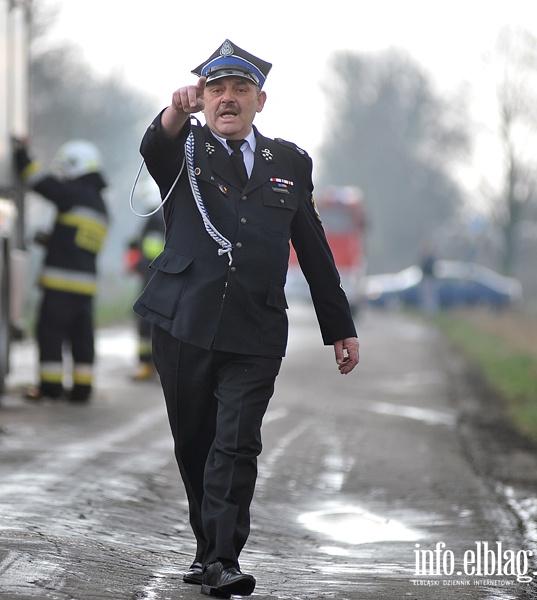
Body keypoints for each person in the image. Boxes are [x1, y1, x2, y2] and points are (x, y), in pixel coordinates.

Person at [133, 40, 360, 598]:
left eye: (239, 89)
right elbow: (154, 145)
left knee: (236, 444)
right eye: (216, 90)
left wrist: (340, 326)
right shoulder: (184, 147)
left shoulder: (290, 162)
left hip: (255, 328)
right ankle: (206, 545)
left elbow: (312, 245)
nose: (227, 99)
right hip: (183, 320)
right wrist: (173, 112)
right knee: (195, 443)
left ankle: (222, 559)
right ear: (203, 99)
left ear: (261, 100)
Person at [13, 138, 109, 402]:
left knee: (50, 335)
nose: (64, 177)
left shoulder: (74, 194)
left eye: (67, 169)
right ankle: (82, 389)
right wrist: (53, 239)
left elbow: (41, 183)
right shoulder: (100, 204)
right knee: (82, 339)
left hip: (60, 284)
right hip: (86, 287)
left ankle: (51, 388)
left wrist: (22, 155)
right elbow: (80, 241)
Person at [125, 208, 164, 381]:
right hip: (154, 274)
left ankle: (153, 365)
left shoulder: (157, 216)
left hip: (160, 275)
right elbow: (140, 243)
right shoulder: (157, 215)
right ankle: (146, 364)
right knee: (147, 321)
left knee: (154, 322)